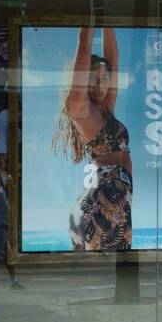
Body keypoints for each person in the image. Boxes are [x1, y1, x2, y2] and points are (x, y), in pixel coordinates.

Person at [52, 26, 132, 251]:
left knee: (114, 275)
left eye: (105, 78)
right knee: (106, 276)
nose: (101, 84)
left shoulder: (105, 110)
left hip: (114, 203)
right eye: (93, 79)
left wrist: (108, 21)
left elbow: (113, 62)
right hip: (103, 207)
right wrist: (88, 23)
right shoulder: (82, 110)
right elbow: (85, 45)